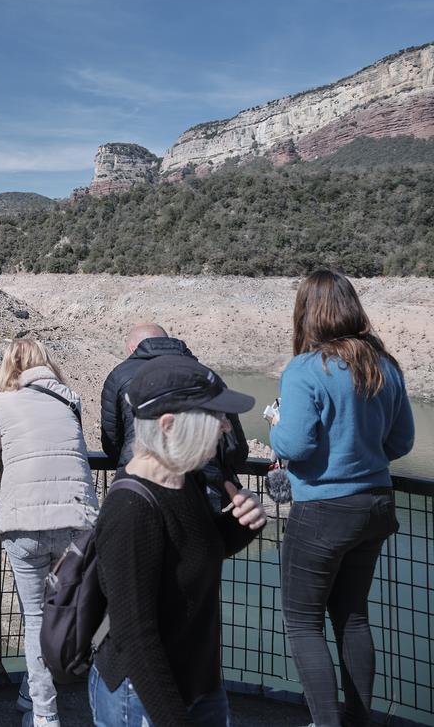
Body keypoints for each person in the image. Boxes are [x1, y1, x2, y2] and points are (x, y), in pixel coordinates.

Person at [269, 269, 414, 727]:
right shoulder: (383, 366)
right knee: (352, 617)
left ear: (307, 314)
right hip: (376, 504)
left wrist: (274, 423)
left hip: (324, 513)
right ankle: (355, 720)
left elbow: (294, 447)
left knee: (302, 621)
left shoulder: (306, 369)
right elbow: (401, 442)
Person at [90, 356, 266, 726]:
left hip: (199, 683)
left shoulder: (188, 481)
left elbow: (199, 551)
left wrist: (242, 523)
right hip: (144, 699)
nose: (224, 429)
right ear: (168, 425)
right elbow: (135, 636)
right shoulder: (130, 510)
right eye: (212, 417)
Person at [0, 338, 99, 727]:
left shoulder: (0, 404)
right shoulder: (71, 399)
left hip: (24, 523)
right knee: (67, 610)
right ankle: (35, 691)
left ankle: (44, 714)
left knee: (35, 618)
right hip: (75, 522)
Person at [100, 322, 249, 506]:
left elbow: (111, 440)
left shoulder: (120, 375)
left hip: (140, 483)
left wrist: (129, 460)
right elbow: (237, 447)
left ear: (132, 348)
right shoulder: (205, 373)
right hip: (206, 486)